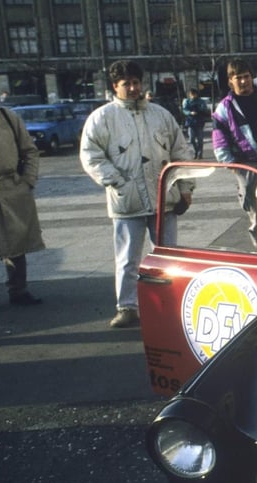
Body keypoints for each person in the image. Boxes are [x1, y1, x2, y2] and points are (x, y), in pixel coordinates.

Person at [80, 59, 194, 328]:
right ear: (114, 87)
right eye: (126, 84)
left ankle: (170, 303)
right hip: (126, 202)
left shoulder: (161, 115)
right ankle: (127, 307)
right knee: (128, 258)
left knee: (168, 256)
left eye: (135, 82)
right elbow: (91, 155)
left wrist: (186, 188)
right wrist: (116, 182)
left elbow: (181, 152)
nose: (132, 88)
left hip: (164, 199)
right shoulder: (102, 118)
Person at [212, 58, 257, 249]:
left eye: (247, 77)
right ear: (230, 82)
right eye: (238, 78)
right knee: (255, 213)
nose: (243, 81)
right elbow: (220, 144)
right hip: (246, 168)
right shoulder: (224, 109)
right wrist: (235, 168)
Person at [0, 95, 44, 311]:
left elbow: (30, 151)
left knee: (16, 242)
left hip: (11, 188)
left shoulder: (8, 117)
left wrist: (27, 181)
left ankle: (18, 289)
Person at [181, 88, 210, 159]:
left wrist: (200, 109)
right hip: (191, 122)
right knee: (191, 139)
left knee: (200, 139)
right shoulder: (187, 101)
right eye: (191, 95)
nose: (193, 96)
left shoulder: (201, 101)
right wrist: (190, 112)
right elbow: (184, 110)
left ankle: (200, 153)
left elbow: (205, 109)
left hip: (199, 121)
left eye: (194, 94)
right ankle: (196, 151)